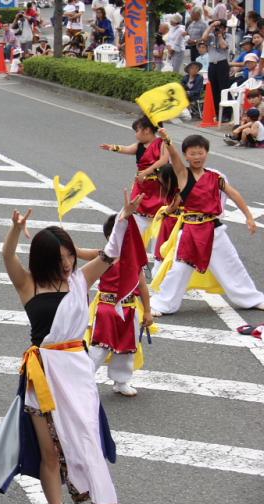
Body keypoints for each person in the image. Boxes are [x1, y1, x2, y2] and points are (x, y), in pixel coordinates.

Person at [0, 191, 147, 504]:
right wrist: (15, 229)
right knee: (50, 452)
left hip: (77, 372)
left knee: (88, 441)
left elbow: (111, 254)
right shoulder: (28, 284)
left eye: (70, 255)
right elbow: (8, 255)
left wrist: (123, 217)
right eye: (60, 257)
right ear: (44, 259)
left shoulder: (80, 280)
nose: (68, 262)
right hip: (40, 375)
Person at [150, 130, 264, 316]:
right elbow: (174, 157)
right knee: (179, 269)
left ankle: (252, 299)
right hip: (190, 231)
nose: (197, 157)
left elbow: (233, 194)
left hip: (214, 229)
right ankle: (162, 303)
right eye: (192, 153)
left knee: (231, 264)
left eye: (200, 152)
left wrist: (249, 216)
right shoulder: (183, 175)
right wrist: (167, 141)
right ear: (186, 156)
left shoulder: (215, 177)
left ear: (207, 153)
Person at [79, 215, 154, 397]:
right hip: (107, 308)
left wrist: (148, 311)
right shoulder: (104, 256)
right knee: (99, 347)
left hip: (129, 309)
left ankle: (121, 381)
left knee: (127, 348)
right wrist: (64, 242)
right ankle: (81, 380)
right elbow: (79, 252)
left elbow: (142, 286)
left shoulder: (135, 260)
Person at [99, 116, 170, 248]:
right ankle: (134, 246)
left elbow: (164, 161)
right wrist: (112, 147)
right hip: (142, 186)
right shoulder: (139, 146)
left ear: (147, 130)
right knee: (136, 214)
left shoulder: (163, 143)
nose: (136, 134)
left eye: (137, 130)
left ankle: (159, 248)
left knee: (159, 217)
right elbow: (126, 149)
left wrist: (146, 172)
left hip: (158, 187)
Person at [202, 19, 232, 119]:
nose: (218, 30)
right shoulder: (211, 37)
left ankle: (226, 114)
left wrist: (219, 35)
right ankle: (217, 113)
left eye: (220, 28)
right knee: (214, 89)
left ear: (224, 28)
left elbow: (224, 46)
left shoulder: (228, 36)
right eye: (217, 28)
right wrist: (211, 27)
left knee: (224, 88)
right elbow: (203, 38)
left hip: (222, 64)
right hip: (212, 65)